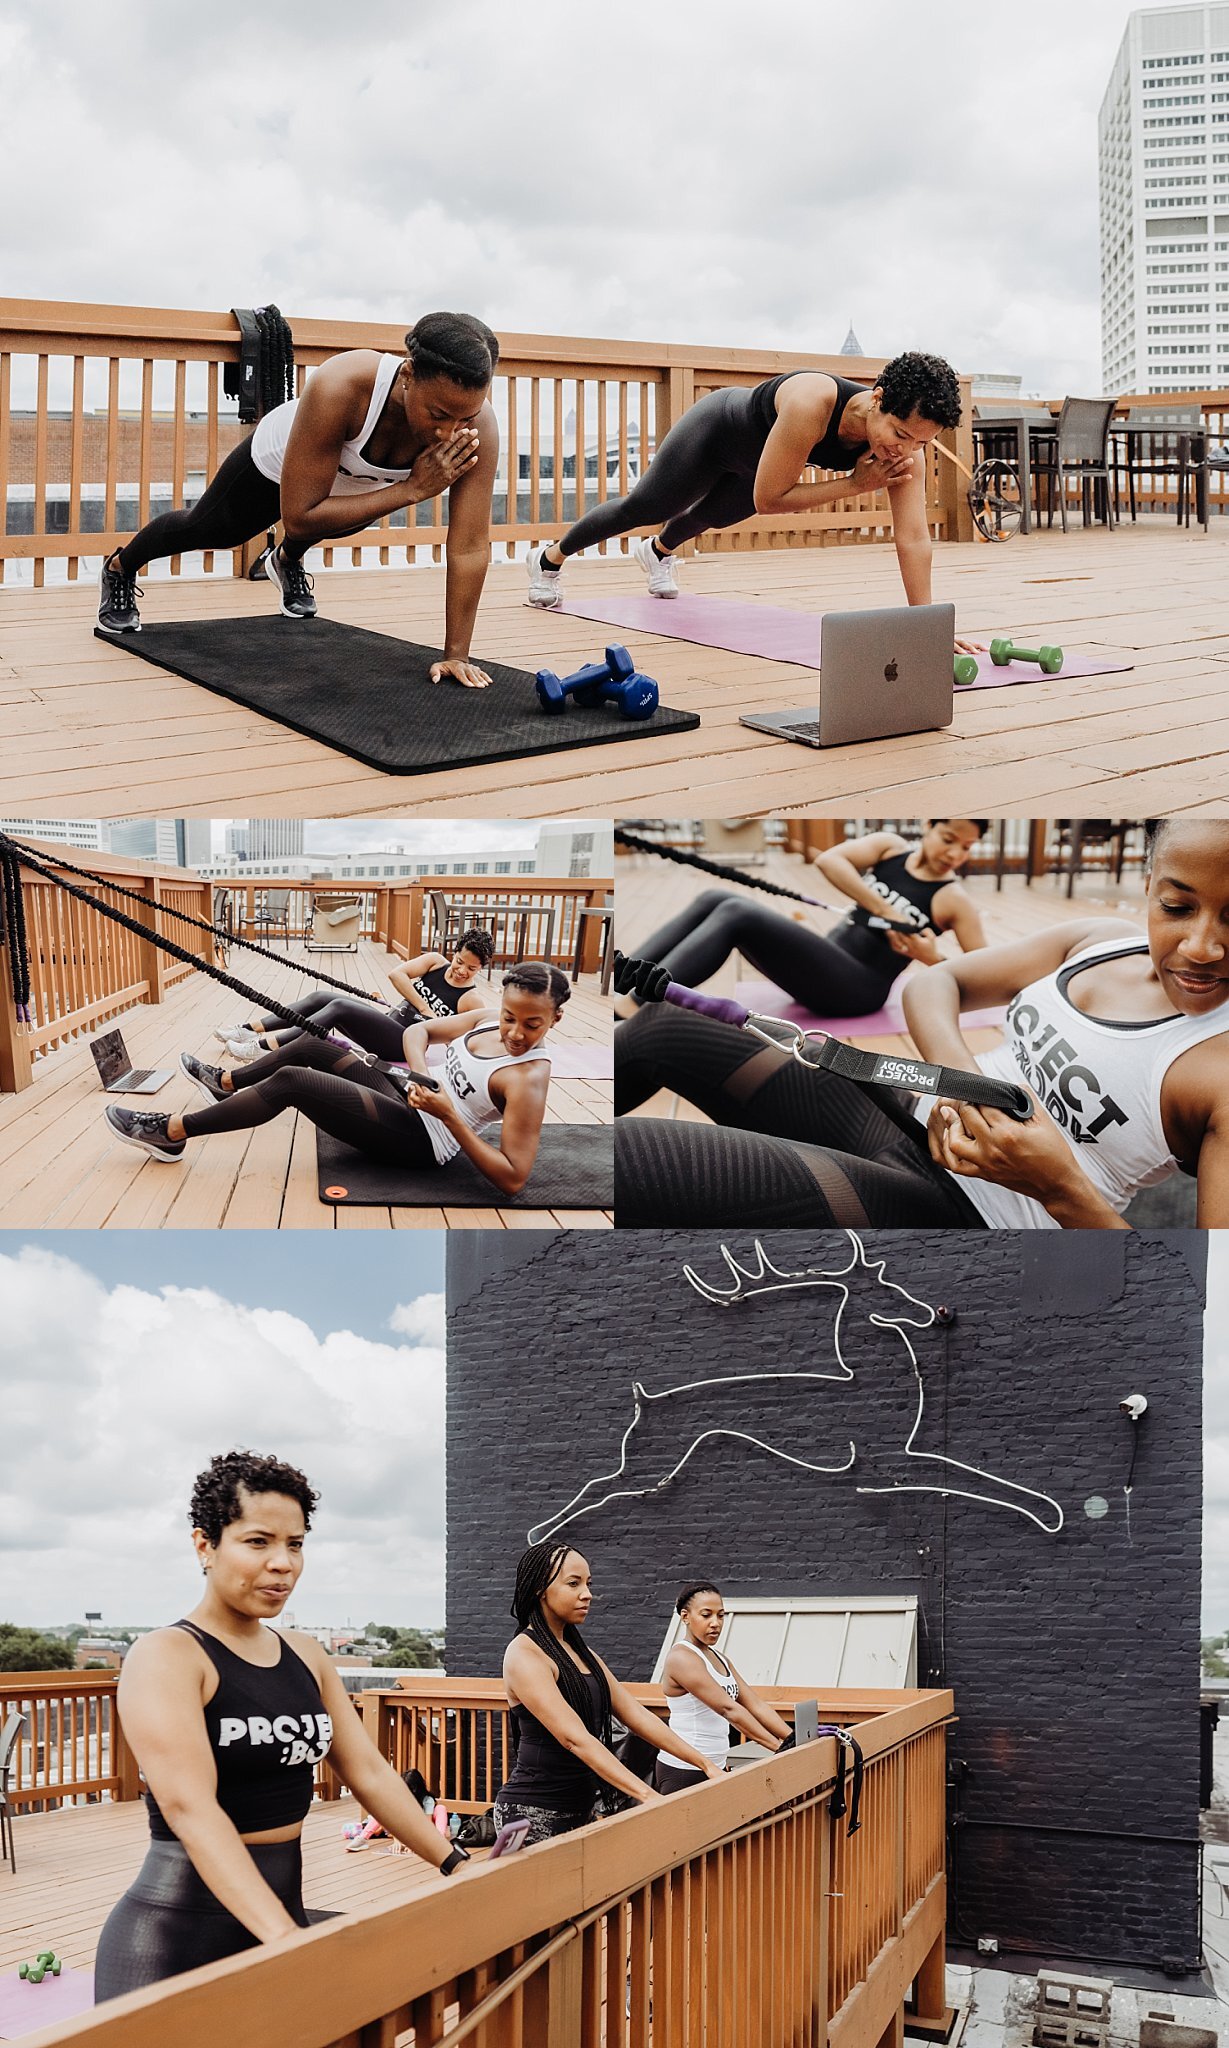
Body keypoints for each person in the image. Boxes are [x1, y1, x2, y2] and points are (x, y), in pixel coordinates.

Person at [614, 818, 1229, 1230]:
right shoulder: (1102, 940)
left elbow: (1199, 1303)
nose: (1202, 947)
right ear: (1148, 890)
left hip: (969, 1214)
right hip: (913, 1114)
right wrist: (960, 1088)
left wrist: (1061, 1185)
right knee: (661, 1027)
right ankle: (517, 1101)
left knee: (637, 1156)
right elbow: (941, 984)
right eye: (1177, 907)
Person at [94, 1450, 468, 2001]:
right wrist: (284, 1939)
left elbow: (368, 1771)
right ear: (205, 1544)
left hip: (279, 1917)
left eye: (295, 1545)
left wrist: (453, 1863)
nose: (283, 1563)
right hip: (175, 1940)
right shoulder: (168, 1655)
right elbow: (190, 1808)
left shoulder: (306, 1653)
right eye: (257, 1541)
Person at [98, 312, 501, 688]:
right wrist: (411, 489)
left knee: (350, 518)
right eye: (439, 414)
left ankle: (284, 561)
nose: (450, 433)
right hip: (278, 462)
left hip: (353, 485)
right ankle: (120, 566)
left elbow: (469, 545)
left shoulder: (478, 425)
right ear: (409, 374)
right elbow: (300, 517)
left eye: (464, 418)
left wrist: (456, 654)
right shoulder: (343, 384)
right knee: (213, 529)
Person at [527, 352, 978, 652]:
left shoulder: (905, 451)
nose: (906, 450)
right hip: (718, 432)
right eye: (900, 434)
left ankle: (658, 552)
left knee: (714, 516)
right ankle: (548, 560)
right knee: (647, 508)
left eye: (922, 442)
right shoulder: (812, 402)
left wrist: (929, 628)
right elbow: (770, 499)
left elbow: (915, 539)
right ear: (877, 399)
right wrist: (857, 485)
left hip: (761, 464)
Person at [104, 962, 568, 1199]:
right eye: (511, 1017)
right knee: (312, 1044)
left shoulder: (527, 1080)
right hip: (414, 1096)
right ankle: (228, 1081)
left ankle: (172, 1133)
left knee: (293, 1079)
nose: (515, 1033)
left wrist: (448, 1114)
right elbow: (417, 1031)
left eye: (532, 1024)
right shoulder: (485, 1019)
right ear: (502, 1005)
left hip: (425, 1140)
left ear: (555, 1019)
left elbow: (513, 1179)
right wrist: (423, 1078)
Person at [623, 823, 988, 1022]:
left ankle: (636, 1004)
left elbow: (991, 975)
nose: (955, 854)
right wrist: (886, 910)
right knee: (715, 898)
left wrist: (930, 958)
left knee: (739, 914)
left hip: (858, 991)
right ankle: (626, 975)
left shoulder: (953, 899)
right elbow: (830, 861)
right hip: (827, 962)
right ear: (928, 827)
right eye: (948, 839)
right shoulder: (890, 848)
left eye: (967, 847)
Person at [493, 1543, 724, 1843]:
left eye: (588, 1584)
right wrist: (648, 1796)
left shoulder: (582, 1653)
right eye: (573, 1584)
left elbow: (637, 1715)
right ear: (541, 1589)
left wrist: (705, 1764)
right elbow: (574, 1738)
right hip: (531, 1813)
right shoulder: (524, 1653)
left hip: (581, 1810)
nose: (587, 1594)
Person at [215, 929, 496, 1064]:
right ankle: (246, 1030)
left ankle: (263, 1047)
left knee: (338, 1007)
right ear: (454, 952)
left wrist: (435, 1027)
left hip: (402, 1043)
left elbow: (469, 1039)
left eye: (471, 968)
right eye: (460, 961)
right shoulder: (435, 962)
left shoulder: (470, 1000)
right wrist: (426, 1009)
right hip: (389, 1022)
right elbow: (397, 975)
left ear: (481, 968)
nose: (461, 971)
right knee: (321, 996)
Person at [656, 1584, 792, 1793]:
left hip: (715, 1765)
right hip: (684, 1769)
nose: (715, 1623)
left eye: (720, 1616)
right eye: (706, 1615)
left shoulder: (720, 1659)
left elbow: (755, 1704)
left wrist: (793, 1738)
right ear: (685, 1617)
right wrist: (779, 1747)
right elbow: (729, 1709)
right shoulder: (681, 1658)